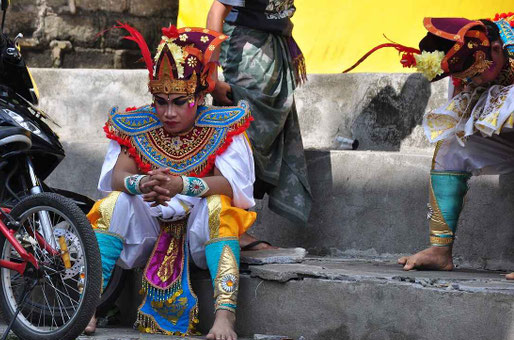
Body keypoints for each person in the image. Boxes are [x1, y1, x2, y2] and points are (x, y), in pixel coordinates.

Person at [84, 23, 257, 339]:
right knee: (113, 204)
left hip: (197, 231)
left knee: (221, 207)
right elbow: (117, 177)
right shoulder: (138, 125)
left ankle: (224, 316)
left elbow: (231, 186)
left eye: (180, 102)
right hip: (149, 221)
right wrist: (142, 184)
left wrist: (184, 185)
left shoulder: (222, 126)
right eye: (160, 101)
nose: (168, 112)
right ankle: (88, 308)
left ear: (199, 96)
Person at [345, 14, 514, 279]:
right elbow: (460, 120)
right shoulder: (468, 69)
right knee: (451, 148)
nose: (476, 82)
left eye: (478, 73)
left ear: (496, 48)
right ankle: (440, 251)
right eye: (468, 78)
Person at [206, 0, 313, 250]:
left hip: (273, 49)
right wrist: (211, 76)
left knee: (260, 142)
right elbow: (217, 11)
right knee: (241, 139)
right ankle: (231, 228)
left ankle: (236, 225)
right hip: (247, 53)